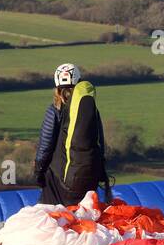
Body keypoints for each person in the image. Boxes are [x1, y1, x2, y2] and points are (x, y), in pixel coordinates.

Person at [35, 62, 111, 207]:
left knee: (48, 213)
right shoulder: (91, 110)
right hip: (90, 177)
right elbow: (99, 142)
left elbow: (45, 144)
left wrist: (38, 171)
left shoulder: (54, 111)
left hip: (60, 179)